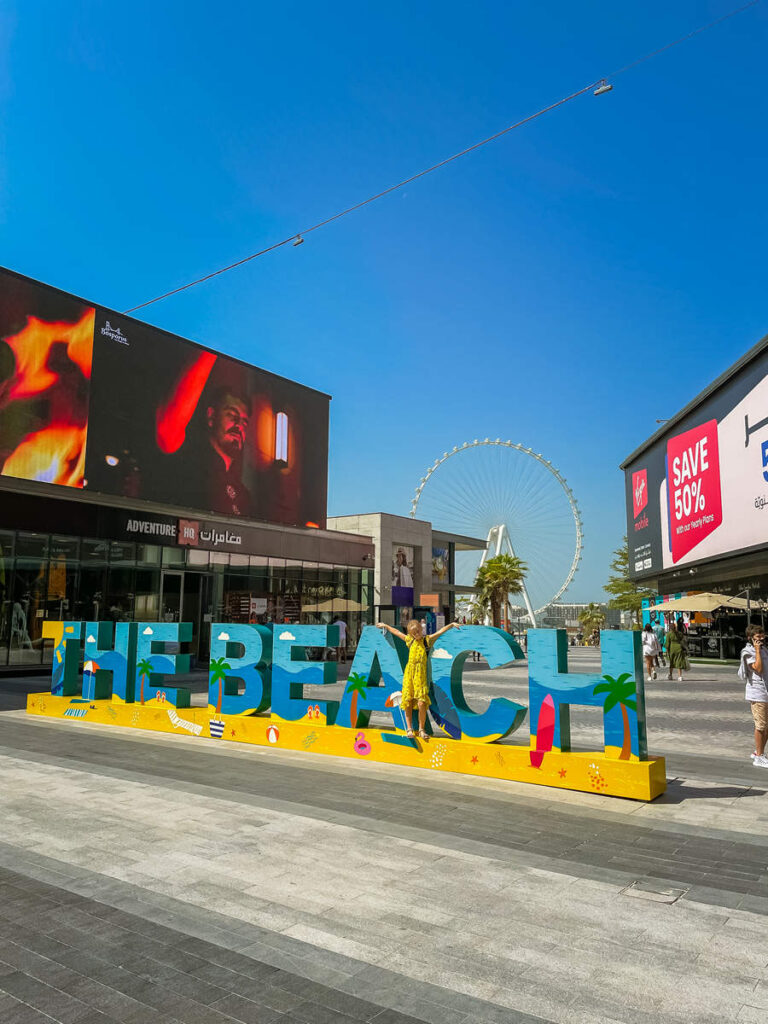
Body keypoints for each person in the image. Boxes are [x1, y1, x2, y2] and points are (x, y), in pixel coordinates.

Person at [377, 618, 459, 739]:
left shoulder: (427, 640)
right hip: (409, 675)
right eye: (414, 633)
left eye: (418, 632)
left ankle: (421, 729)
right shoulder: (409, 641)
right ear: (410, 634)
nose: (417, 635)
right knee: (408, 702)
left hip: (420, 676)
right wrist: (385, 625)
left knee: (421, 703)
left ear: (421, 629)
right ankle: (409, 729)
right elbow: (397, 632)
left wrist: (451, 624)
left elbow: (440, 632)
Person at [739, 625, 768, 767]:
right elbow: (759, 668)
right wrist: (756, 650)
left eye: (762, 636)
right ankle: (759, 756)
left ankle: (759, 752)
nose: (761, 639)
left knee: (766, 725)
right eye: (758, 637)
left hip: (765, 691)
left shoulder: (764, 650)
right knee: (761, 726)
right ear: (750, 638)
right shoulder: (748, 652)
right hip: (757, 693)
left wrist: (760, 649)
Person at [665, 618, 689, 682]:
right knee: (679, 663)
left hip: (672, 649)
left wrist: (667, 651)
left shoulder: (669, 634)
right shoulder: (679, 633)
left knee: (672, 662)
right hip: (679, 648)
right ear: (675, 627)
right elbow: (682, 639)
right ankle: (680, 676)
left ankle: (670, 675)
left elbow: (667, 643)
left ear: (670, 628)